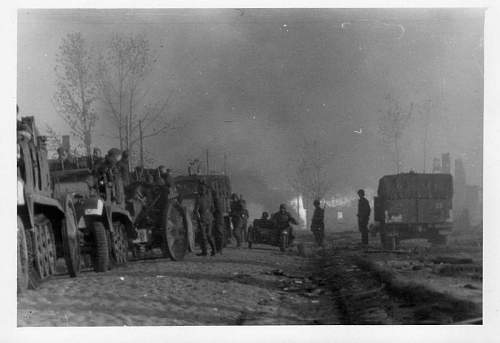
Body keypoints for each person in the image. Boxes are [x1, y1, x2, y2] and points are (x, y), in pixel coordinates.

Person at [194, 181, 216, 256]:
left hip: (202, 219)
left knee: (203, 236)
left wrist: (198, 218)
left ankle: (205, 252)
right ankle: (214, 250)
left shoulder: (199, 199)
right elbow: (213, 208)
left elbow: (196, 211)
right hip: (209, 218)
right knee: (209, 235)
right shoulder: (209, 198)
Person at [212, 189, 225, 254]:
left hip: (218, 219)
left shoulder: (217, 201)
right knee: (217, 235)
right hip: (218, 219)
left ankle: (220, 249)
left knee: (219, 234)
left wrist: (212, 211)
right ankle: (218, 249)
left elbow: (218, 210)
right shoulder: (217, 200)